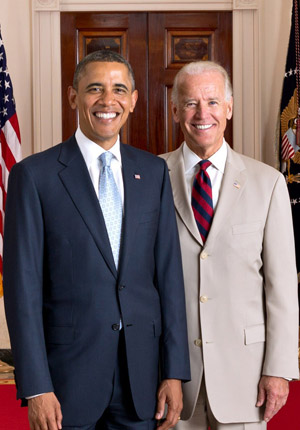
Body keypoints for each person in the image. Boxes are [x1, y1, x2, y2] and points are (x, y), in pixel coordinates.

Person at [3, 50, 191, 430]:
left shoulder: (153, 172)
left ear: (134, 100)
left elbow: (169, 280)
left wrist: (174, 372)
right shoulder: (34, 177)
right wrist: (37, 386)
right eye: (94, 89)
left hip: (142, 382)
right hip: (65, 385)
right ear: (74, 97)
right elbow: (22, 291)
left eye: (119, 89)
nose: (108, 101)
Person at [160, 60, 299, 430]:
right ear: (175, 110)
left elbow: (282, 287)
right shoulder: (150, 180)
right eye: (190, 103)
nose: (202, 113)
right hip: (170, 376)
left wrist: (279, 369)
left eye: (213, 102)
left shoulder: (267, 184)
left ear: (230, 108)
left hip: (247, 375)